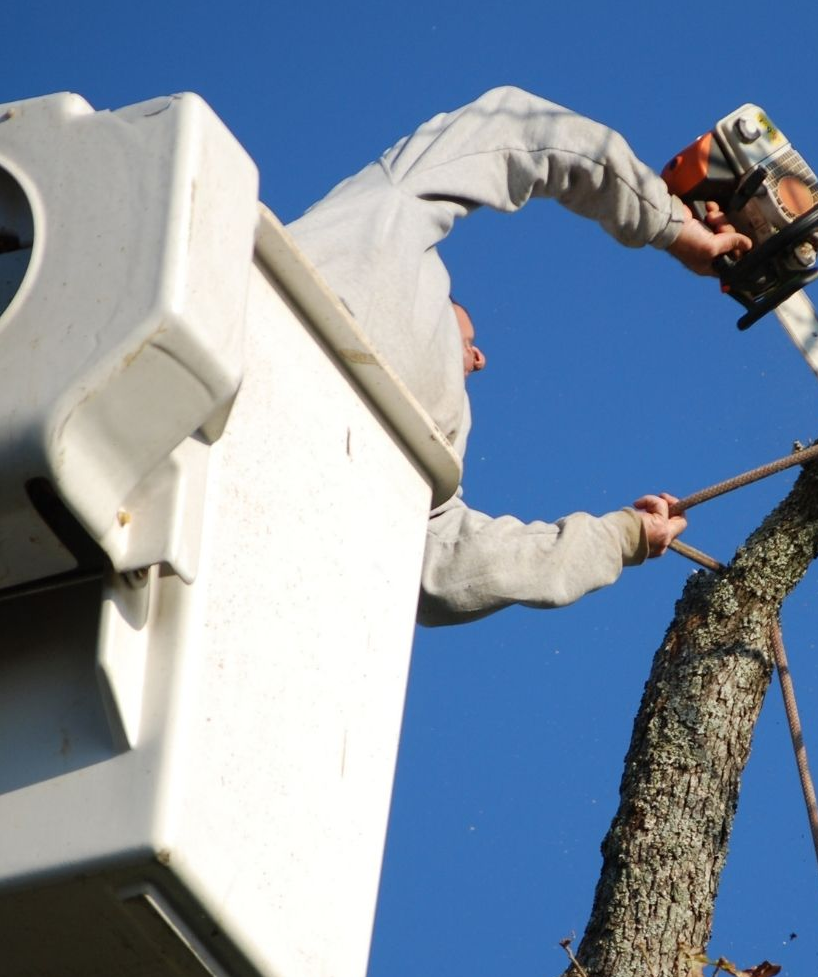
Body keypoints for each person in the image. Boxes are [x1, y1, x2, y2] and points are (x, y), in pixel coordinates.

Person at [288, 86, 747, 626]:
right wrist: (671, 225)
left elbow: (450, 572)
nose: (480, 359)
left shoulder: (432, 470)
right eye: (468, 333)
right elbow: (519, 130)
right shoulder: (380, 230)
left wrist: (620, 536)